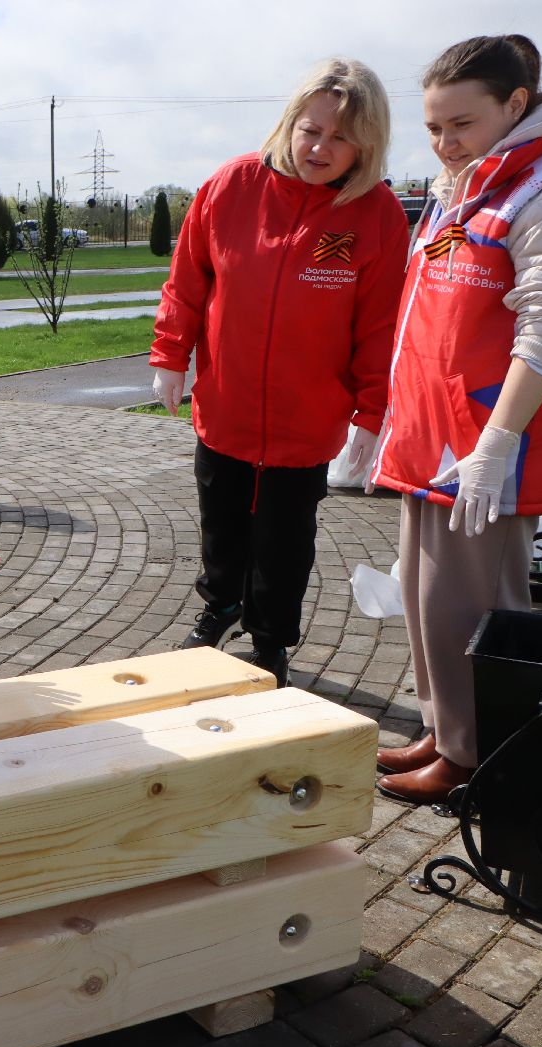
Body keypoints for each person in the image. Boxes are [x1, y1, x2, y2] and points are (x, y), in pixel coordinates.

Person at [370, 36, 542, 804]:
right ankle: (445, 728)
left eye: (459, 123)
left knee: (477, 606)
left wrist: (499, 441)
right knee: (430, 598)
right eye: (432, 126)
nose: (443, 140)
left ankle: (479, 756)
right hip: (433, 435)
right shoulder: (469, 180)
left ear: (515, 106)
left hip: (490, 443)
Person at [150, 58, 409, 687]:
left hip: (306, 419)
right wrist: (169, 356)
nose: (320, 147)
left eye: (341, 137)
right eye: (310, 129)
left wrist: (372, 414)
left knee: (285, 539)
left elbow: (380, 327)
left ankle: (270, 640)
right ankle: (221, 604)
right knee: (222, 517)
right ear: (289, 123)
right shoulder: (232, 185)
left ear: (366, 146)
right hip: (227, 403)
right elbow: (187, 281)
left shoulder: (375, 215)